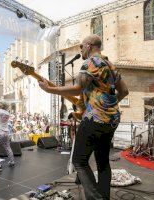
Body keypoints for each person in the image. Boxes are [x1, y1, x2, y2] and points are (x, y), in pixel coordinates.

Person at [38, 34, 129, 199]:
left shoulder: (90, 63)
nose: (80, 49)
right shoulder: (110, 65)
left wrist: (50, 89)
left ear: (89, 45)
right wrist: (108, 105)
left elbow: (78, 88)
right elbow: (124, 91)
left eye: (81, 46)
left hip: (95, 119)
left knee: (79, 160)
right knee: (102, 162)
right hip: (112, 119)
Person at [0, 101, 15, 172]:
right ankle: (12, 161)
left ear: (0, 105)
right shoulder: (7, 113)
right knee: (7, 147)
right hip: (6, 132)